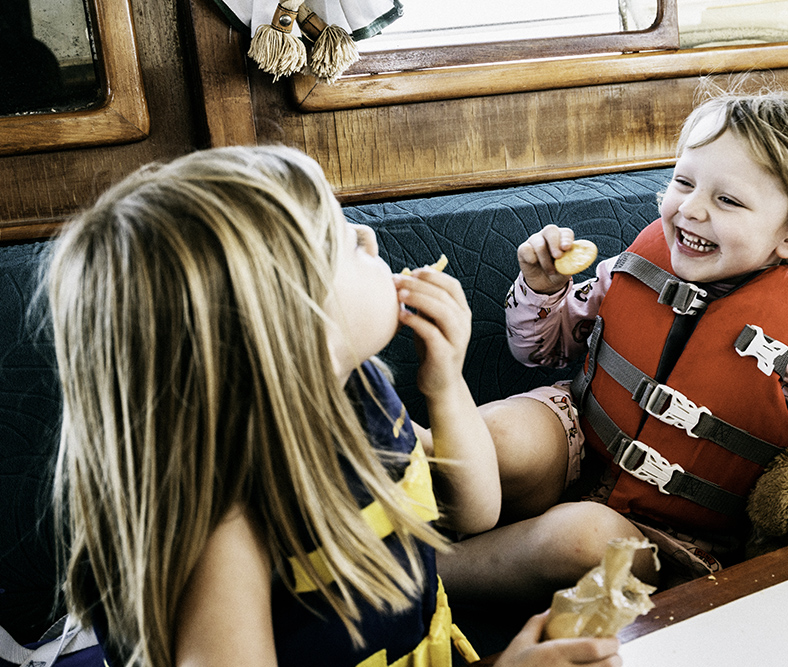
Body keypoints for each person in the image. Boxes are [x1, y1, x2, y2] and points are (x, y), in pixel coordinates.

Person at [46, 145, 622, 667]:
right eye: (343, 241)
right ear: (292, 330)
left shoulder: (357, 391)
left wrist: (446, 384)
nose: (369, 238)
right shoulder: (223, 523)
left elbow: (474, 511)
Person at [437, 90, 788, 602]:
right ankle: (374, 483)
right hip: (577, 441)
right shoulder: (634, 266)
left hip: (670, 536)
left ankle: (418, 577)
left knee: (577, 536)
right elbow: (539, 352)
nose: (690, 209)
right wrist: (544, 291)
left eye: (728, 199)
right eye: (683, 182)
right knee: (501, 433)